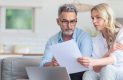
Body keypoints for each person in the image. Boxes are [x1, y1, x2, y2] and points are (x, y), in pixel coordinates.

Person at [40, 4, 93, 80]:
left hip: (78, 74)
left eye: (72, 21)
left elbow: (85, 64)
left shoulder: (84, 37)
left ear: (76, 21)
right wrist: (51, 64)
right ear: (58, 21)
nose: (69, 26)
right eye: (65, 21)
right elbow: (43, 63)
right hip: (58, 73)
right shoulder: (52, 40)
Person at [77, 3, 123, 80]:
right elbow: (96, 68)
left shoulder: (121, 33)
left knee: (108, 69)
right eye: (92, 18)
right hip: (103, 72)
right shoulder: (95, 40)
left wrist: (93, 62)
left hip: (120, 71)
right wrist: (109, 51)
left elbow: (116, 59)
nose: (94, 21)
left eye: (98, 17)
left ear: (108, 17)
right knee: (88, 74)